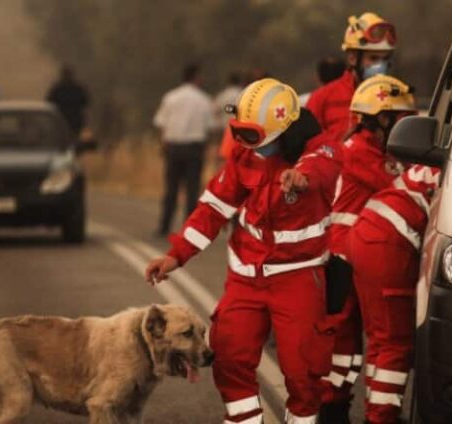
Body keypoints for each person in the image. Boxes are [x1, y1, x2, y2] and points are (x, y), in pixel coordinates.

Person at [146, 78, 341, 423]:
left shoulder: (319, 150)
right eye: (239, 133)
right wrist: (175, 256)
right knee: (229, 357)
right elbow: (212, 210)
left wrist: (302, 177)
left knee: (303, 371)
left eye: (252, 136)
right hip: (246, 275)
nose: (245, 144)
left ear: (284, 129)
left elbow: (322, 166)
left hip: (297, 276)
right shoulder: (245, 155)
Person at [317, 75, 417, 423]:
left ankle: (335, 409)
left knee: (349, 345)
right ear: (379, 118)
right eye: (401, 119)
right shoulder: (361, 151)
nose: (406, 126)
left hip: (350, 255)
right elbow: (403, 186)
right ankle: (337, 410)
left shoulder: (367, 148)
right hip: (345, 257)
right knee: (349, 343)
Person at [350, 164, 440, 423]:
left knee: (380, 339)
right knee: (395, 343)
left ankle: (375, 408)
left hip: (365, 234)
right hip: (387, 244)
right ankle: (381, 417)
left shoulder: (426, 166)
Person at [306, 12, 398, 141]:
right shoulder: (322, 99)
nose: (381, 65)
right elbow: (309, 152)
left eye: (385, 59)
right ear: (352, 58)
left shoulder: (399, 99)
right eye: (373, 58)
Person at [152, 63, 216, 236]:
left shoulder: (170, 97)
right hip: (194, 149)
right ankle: (190, 228)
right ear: (196, 77)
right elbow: (210, 127)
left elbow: (161, 124)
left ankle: (164, 226)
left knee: (171, 188)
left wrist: (164, 143)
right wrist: (207, 147)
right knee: (192, 189)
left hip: (173, 147)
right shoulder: (204, 100)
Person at [46, 66, 91, 135]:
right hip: (72, 120)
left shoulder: (57, 88)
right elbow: (86, 102)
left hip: (62, 120)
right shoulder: (77, 88)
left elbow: (49, 102)